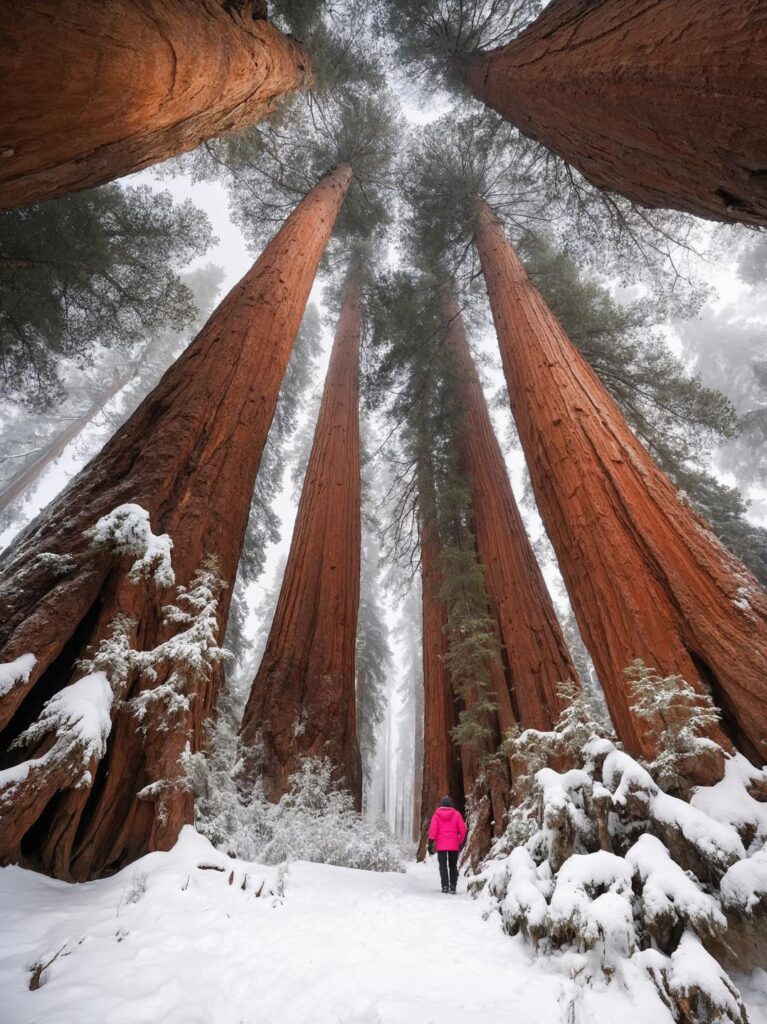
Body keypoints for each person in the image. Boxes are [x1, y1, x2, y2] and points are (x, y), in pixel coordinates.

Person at [427, 796, 467, 893]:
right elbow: (463, 829)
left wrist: (430, 843)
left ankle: (445, 886)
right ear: (450, 805)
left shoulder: (436, 815)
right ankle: (453, 886)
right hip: (453, 844)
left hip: (441, 845)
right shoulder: (456, 814)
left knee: (443, 865)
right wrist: (459, 841)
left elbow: (433, 830)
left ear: (442, 805)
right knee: (453, 866)